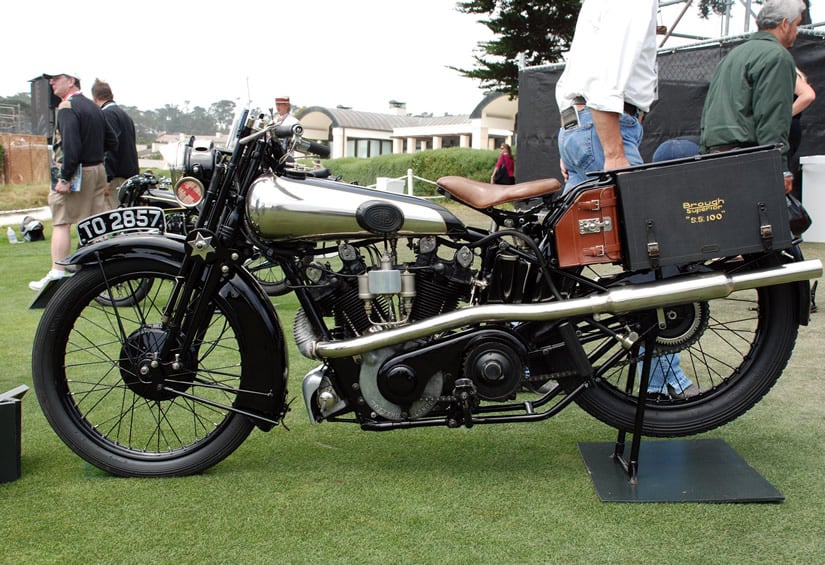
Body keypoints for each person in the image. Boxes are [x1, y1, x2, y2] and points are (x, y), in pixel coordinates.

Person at [555, 0, 658, 192]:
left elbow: (576, 76)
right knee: (640, 216)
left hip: (580, 124)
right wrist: (614, 154)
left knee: (581, 220)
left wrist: (574, 137)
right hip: (601, 127)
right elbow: (605, 79)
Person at [29, 71, 117, 291]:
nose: (52, 83)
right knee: (94, 224)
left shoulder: (68, 107)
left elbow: (71, 145)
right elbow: (111, 140)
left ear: (71, 81)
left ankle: (58, 272)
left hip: (78, 172)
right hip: (97, 169)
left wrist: (65, 177)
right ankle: (103, 272)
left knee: (61, 221)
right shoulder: (93, 107)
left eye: (56, 78)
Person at [699, 0, 807, 159]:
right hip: (751, 158)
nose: (797, 31)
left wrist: (704, 154)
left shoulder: (731, 56)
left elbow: (708, 112)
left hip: (715, 154)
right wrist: (780, 166)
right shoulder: (778, 56)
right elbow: (773, 119)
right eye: (796, 24)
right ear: (784, 24)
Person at [92, 78, 139, 210]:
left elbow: (110, 148)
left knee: (114, 215)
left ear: (95, 98)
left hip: (116, 177)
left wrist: (107, 177)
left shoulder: (106, 115)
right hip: (129, 173)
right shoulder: (125, 116)